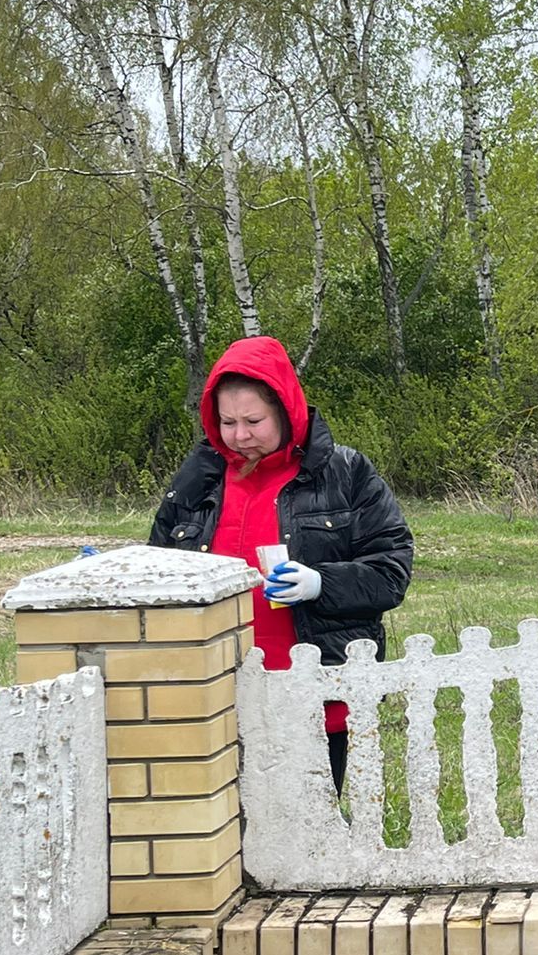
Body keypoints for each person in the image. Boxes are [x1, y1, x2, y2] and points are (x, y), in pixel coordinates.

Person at [150, 336, 414, 792]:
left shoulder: (347, 474)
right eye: (227, 422)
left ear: (287, 411)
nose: (240, 435)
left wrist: (321, 584)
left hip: (314, 693)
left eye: (254, 420)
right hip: (211, 697)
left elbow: (390, 572)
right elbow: (158, 570)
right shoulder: (197, 481)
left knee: (307, 825)